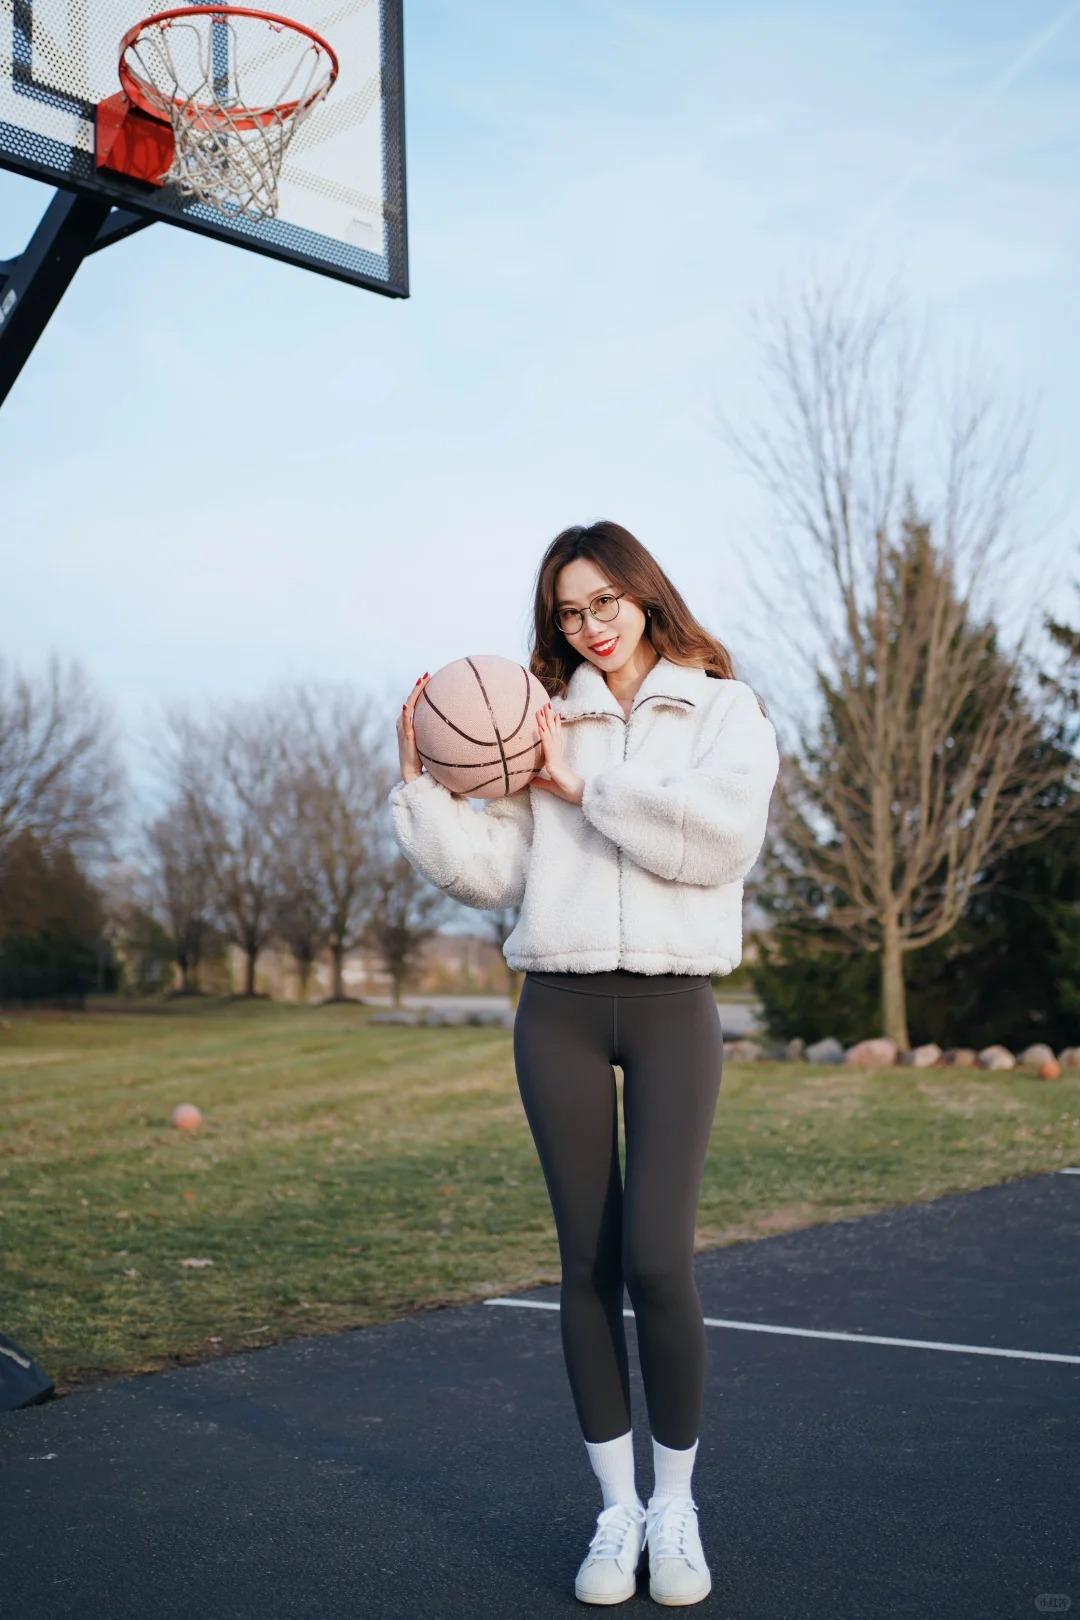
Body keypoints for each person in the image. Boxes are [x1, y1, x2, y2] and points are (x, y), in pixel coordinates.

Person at [388, 519, 780, 1607]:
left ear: (646, 595)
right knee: (588, 1267)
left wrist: (583, 789)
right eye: (568, 612)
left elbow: (718, 844)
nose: (588, 627)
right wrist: (424, 789)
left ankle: (676, 1508)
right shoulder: (538, 720)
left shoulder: (722, 707)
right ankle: (615, 1516)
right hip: (556, 1005)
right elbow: (493, 870)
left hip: (671, 1007)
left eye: (604, 602)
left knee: (659, 1262)